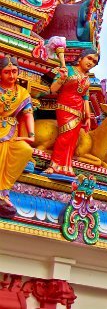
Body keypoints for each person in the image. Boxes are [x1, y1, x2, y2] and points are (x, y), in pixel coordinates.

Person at [44, 49, 99, 177]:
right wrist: (61, 79)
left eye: (94, 62)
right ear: (81, 57)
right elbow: (53, 90)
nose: (91, 62)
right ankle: (54, 165)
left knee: (73, 139)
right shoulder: (67, 69)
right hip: (65, 105)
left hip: (79, 109)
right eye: (89, 58)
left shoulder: (87, 78)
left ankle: (66, 167)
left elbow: (85, 97)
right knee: (65, 136)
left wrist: (87, 116)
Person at [0, 58, 34, 218]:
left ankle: (4, 191)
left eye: (14, 71)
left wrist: (31, 135)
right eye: (7, 72)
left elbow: (28, 115)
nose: (11, 75)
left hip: (12, 132)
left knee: (25, 150)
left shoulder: (22, 93)